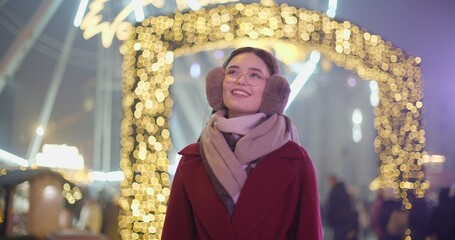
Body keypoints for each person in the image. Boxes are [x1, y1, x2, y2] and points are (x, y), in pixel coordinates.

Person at [162, 47, 322, 239]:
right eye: (232, 72)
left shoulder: (296, 161)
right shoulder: (192, 159)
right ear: (218, 84)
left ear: (272, 90)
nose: (241, 80)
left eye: (254, 75)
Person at [325, 175, 358, 240]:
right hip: (347, 224)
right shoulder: (345, 193)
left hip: (338, 223)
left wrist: (328, 220)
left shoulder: (334, 192)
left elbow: (331, 207)